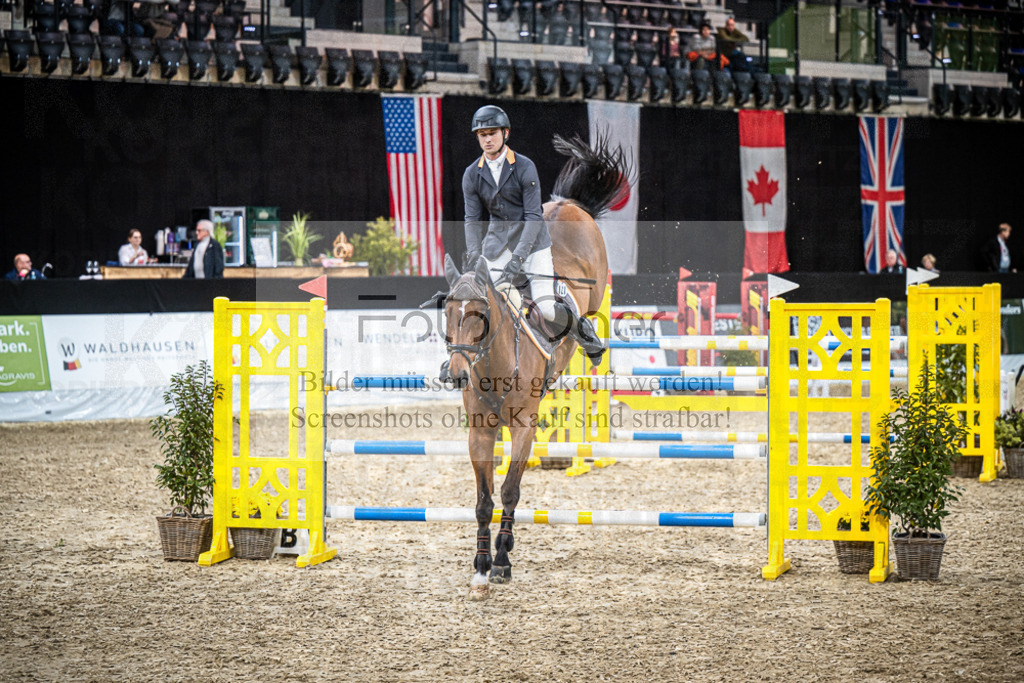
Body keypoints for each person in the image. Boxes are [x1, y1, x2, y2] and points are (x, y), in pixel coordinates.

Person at [459, 105, 604, 360]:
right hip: (497, 247)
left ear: (506, 133)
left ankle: (583, 330)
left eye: (492, 133)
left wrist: (519, 258)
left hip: (533, 245)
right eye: (482, 134)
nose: (487, 139)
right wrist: (473, 254)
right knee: (475, 302)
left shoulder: (524, 167)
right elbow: (471, 219)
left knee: (546, 308)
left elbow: (534, 217)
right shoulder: (471, 174)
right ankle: (460, 357)